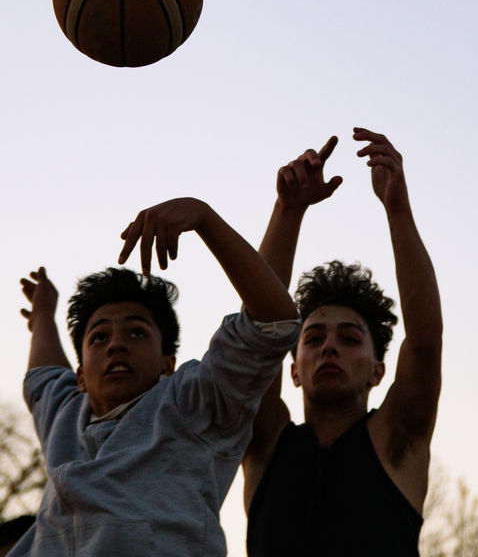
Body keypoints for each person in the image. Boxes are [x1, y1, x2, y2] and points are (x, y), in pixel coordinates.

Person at [15, 197, 300, 556]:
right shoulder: (65, 416)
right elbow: (42, 378)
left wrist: (204, 218)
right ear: (82, 377)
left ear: (168, 362)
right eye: (99, 337)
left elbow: (270, 322)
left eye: (136, 333)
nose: (116, 344)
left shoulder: (190, 403)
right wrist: (42, 315)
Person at [244, 127, 442, 556]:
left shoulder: (397, 441)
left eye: (349, 338)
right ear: (293, 369)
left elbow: (425, 342)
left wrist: (397, 209)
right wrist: (288, 210)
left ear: (377, 370)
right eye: (312, 338)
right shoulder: (265, 442)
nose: (329, 347)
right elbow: (257, 335)